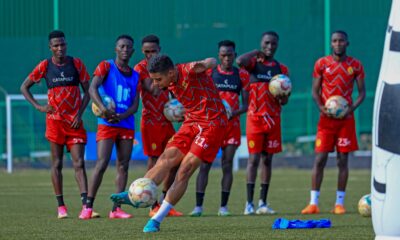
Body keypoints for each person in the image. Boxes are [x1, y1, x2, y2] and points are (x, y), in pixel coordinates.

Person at [110, 54, 228, 232]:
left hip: (212, 124)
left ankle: (157, 219)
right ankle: (134, 195)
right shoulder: (170, 81)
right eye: (153, 79)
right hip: (191, 121)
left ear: (171, 73)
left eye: (158, 79)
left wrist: (203, 64)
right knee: (165, 159)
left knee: (185, 169)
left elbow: (212, 61)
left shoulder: (188, 70)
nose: (155, 83)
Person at [20, 30, 99, 219]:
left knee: (79, 163)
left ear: (66, 45)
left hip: (74, 123)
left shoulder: (76, 63)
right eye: (56, 45)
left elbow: (88, 91)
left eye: (62, 44)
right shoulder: (45, 66)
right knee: (57, 164)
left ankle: (85, 207)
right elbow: (24, 87)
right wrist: (39, 107)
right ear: (50, 47)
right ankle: (61, 207)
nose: (60, 48)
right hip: (55, 123)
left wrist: (79, 114)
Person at [301, 31, 365, 215]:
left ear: (347, 43)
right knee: (320, 159)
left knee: (342, 160)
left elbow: (361, 93)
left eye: (341, 41)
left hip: (346, 120)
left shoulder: (356, 65)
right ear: (331, 44)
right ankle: (313, 203)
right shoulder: (321, 64)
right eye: (335, 41)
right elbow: (315, 91)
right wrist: (321, 107)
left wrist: (349, 110)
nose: (338, 44)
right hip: (326, 120)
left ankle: (339, 203)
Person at [79, 34, 140, 219]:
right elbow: (92, 88)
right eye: (121, 46)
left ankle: (116, 209)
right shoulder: (106, 66)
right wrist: (104, 110)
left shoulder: (136, 75)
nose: (125, 50)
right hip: (106, 123)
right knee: (102, 163)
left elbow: (135, 105)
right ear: (116, 49)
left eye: (128, 47)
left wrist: (122, 115)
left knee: (123, 165)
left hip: (126, 124)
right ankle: (87, 207)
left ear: (133, 51)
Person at [190, 40, 249, 217]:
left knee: (227, 164)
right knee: (204, 165)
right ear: (218, 56)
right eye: (223, 55)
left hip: (231, 126)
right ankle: (198, 207)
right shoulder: (209, 73)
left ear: (234, 55)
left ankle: (223, 207)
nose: (226, 58)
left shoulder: (242, 76)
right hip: (211, 126)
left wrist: (233, 113)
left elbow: (246, 105)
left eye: (230, 55)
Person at [236, 31, 290, 215]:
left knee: (268, 160)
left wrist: (283, 96)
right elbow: (239, 61)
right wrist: (254, 52)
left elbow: (285, 100)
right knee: (253, 160)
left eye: (273, 43)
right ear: (261, 43)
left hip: (273, 120)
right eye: (266, 43)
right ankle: (249, 204)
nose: (270, 46)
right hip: (255, 119)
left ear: (277, 45)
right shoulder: (253, 64)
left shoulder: (281, 69)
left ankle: (263, 203)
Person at [134, 35, 182, 217]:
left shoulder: (167, 67)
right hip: (151, 122)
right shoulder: (140, 68)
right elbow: (154, 89)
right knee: (155, 162)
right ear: (142, 52)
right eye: (147, 52)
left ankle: (163, 202)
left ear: (159, 49)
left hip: (166, 121)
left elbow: (174, 87)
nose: (150, 55)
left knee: (175, 161)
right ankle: (151, 204)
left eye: (153, 51)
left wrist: (177, 108)